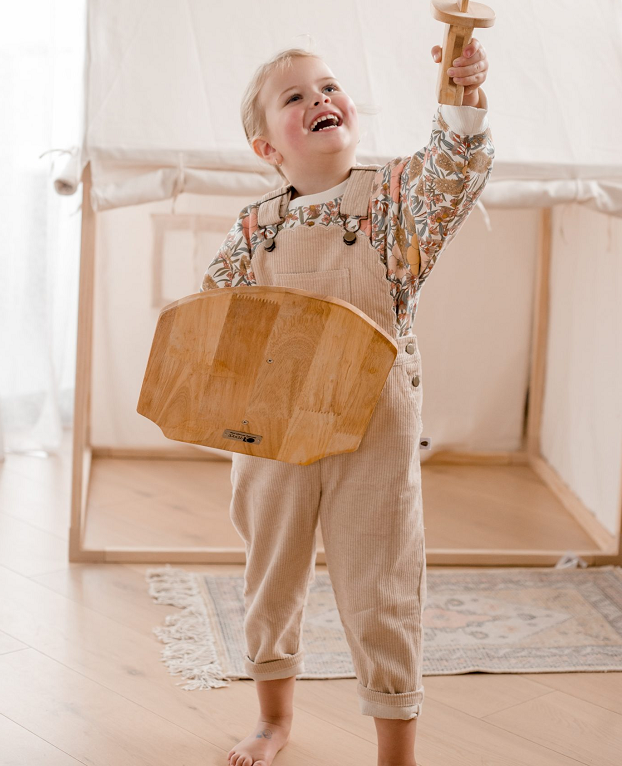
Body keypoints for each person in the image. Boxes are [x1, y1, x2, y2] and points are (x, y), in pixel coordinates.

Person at [200, 40, 493, 766]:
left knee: (382, 582)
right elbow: (216, 322)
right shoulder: (254, 229)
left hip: (374, 426)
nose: (319, 100)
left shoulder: (396, 199)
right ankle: (272, 720)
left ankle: (397, 751)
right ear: (268, 148)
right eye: (295, 96)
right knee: (271, 573)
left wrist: (461, 97)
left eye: (328, 87)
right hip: (275, 429)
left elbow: (453, 171)